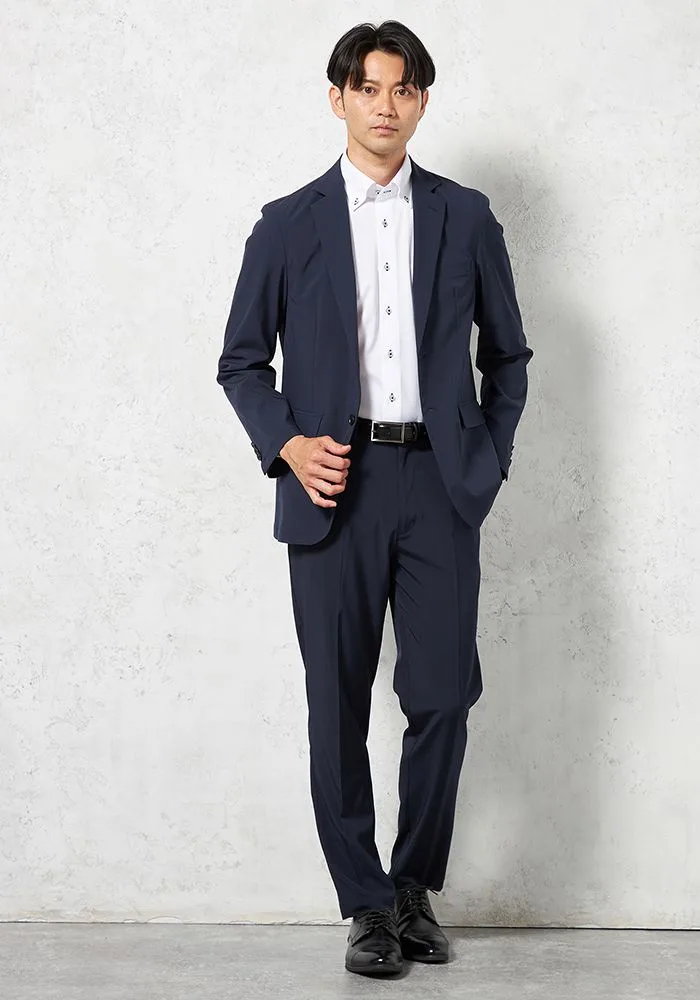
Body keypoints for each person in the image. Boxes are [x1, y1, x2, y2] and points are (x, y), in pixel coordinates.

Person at [217, 19, 534, 978]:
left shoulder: (466, 217)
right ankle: (364, 904)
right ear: (338, 99)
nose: (384, 105)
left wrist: (485, 460)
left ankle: (411, 889)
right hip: (332, 488)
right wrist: (287, 444)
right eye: (368, 87)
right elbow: (241, 363)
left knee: (442, 697)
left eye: (403, 88)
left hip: (439, 483)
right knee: (337, 702)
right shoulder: (288, 223)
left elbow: (508, 357)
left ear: (422, 102)